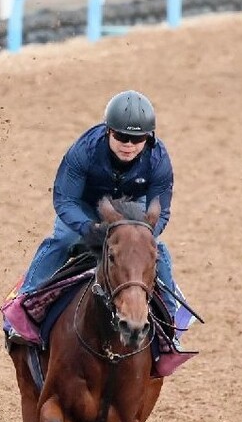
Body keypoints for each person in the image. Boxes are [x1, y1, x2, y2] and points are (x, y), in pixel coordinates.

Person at [16, 89, 182, 340]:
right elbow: (65, 199)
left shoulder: (159, 161)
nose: (128, 145)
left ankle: (170, 327)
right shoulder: (83, 150)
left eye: (136, 139)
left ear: (149, 138)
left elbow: (161, 211)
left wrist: (138, 236)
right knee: (63, 240)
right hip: (83, 204)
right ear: (108, 131)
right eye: (121, 136)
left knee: (157, 250)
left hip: (131, 209)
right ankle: (24, 306)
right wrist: (89, 229)